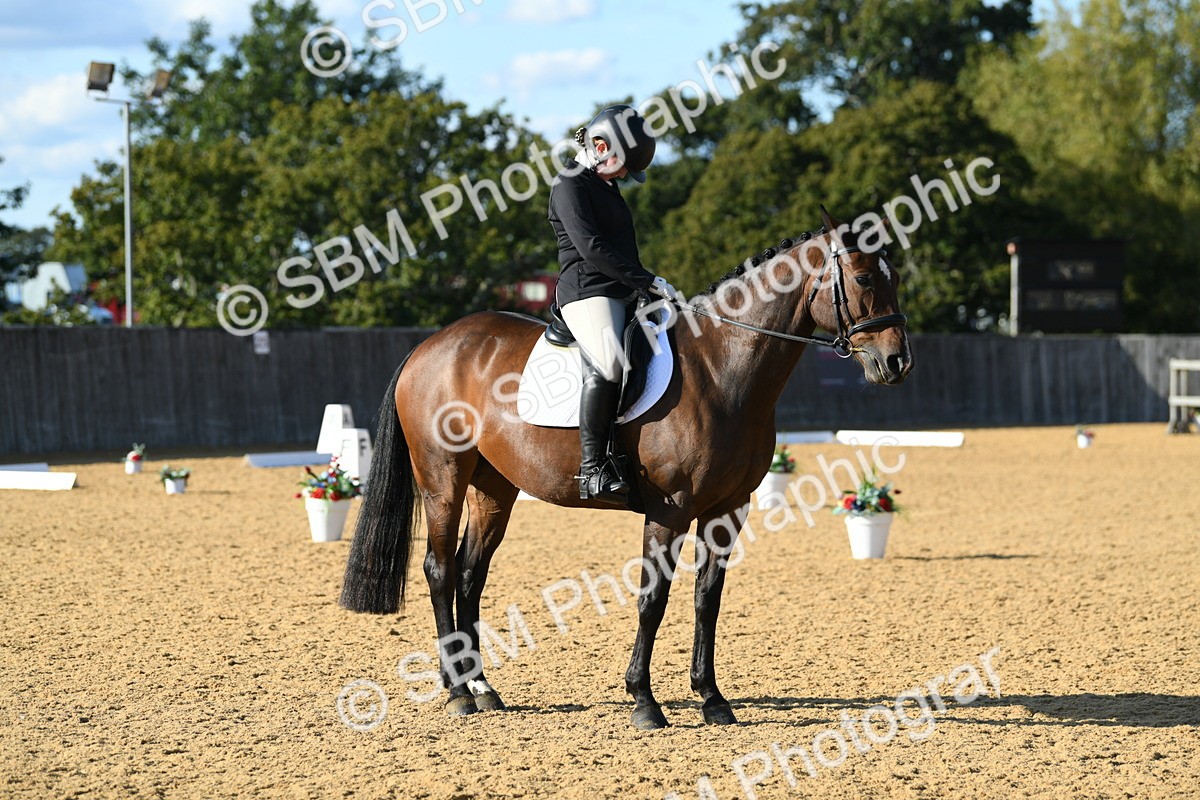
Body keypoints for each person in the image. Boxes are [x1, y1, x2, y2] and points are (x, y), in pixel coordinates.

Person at [547, 104, 679, 507]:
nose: (625, 175)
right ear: (600, 146)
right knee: (609, 361)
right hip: (587, 291)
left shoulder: (604, 184)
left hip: (621, 290)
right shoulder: (570, 184)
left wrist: (644, 290)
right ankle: (592, 468)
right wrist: (648, 281)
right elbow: (592, 248)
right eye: (623, 166)